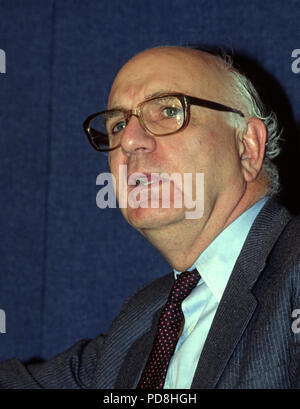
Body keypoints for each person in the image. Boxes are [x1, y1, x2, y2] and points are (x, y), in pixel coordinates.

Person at [0, 46, 299, 389]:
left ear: (247, 146)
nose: (128, 140)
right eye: (118, 125)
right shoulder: (141, 322)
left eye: (169, 110)